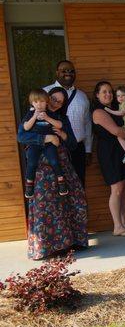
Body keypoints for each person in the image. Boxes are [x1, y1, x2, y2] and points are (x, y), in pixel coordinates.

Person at [18, 87, 87, 259]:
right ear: (47, 99)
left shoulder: (61, 119)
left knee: (74, 201)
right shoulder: (33, 115)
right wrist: (46, 138)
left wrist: (62, 135)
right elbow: (21, 136)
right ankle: (45, 248)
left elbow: (72, 144)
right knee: (45, 205)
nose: (55, 103)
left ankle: (72, 242)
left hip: (62, 164)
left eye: (60, 102)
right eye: (53, 99)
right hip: (42, 168)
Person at [91, 81, 125, 237]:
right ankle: (117, 226)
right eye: (104, 92)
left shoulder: (115, 108)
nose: (108, 94)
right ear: (97, 95)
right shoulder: (98, 111)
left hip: (122, 152)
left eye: (110, 91)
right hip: (109, 153)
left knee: (123, 189)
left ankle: (124, 223)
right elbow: (117, 131)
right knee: (116, 189)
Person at [44, 60, 92, 186]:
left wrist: (88, 149)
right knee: (55, 187)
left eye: (71, 71)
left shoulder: (82, 96)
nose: (68, 73)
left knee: (79, 185)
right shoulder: (45, 93)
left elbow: (87, 124)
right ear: (57, 72)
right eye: (64, 70)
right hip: (52, 148)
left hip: (77, 149)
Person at [20, 89, 68, 198]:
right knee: (31, 163)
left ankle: (61, 181)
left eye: (42, 102)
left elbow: (59, 124)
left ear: (47, 102)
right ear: (32, 103)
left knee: (54, 161)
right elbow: (26, 127)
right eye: (36, 102)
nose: (39, 104)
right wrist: (34, 117)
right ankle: (29, 184)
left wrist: (47, 118)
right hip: (35, 144)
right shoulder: (30, 113)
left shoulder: (50, 114)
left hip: (49, 145)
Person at [104, 85, 125, 163]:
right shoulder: (122, 104)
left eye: (123, 95)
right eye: (118, 96)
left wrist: (109, 110)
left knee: (120, 135)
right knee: (120, 137)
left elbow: (121, 113)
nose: (120, 98)